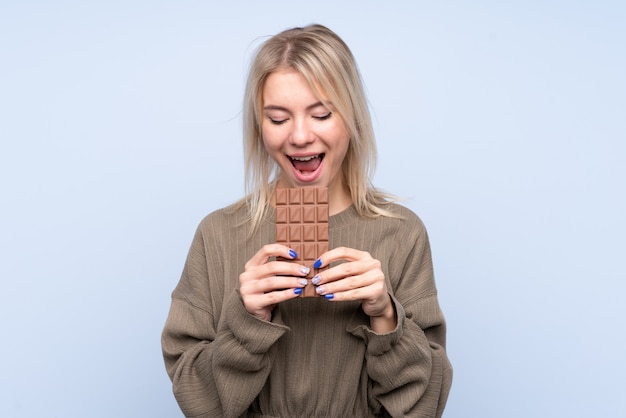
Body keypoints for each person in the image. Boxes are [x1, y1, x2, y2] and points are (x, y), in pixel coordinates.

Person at [161, 24, 452, 418]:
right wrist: (248, 321)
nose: (300, 136)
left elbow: (426, 406)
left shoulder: (402, 233)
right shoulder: (218, 234)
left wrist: (384, 315)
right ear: (259, 127)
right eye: (278, 119)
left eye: (321, 114)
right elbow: (199, 403)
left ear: (351, 117)